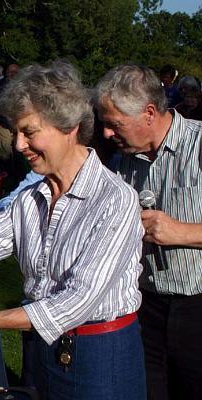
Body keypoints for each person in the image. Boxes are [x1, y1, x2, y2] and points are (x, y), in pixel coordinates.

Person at [0, 61, 146, 400]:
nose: (18, 145)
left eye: (29, 132)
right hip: (42, 349)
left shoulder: (115, 199)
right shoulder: (32, 198)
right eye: (16, 133)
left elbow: (76, 302)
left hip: (99, 359)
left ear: (70, 126)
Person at [95, 64, 202, 400]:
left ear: (149, 113)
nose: (108, 134)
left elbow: (173, 231)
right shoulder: (124, 160)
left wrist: (182, 232)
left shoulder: (199, 146)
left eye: (114, 124)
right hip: (146, 307)